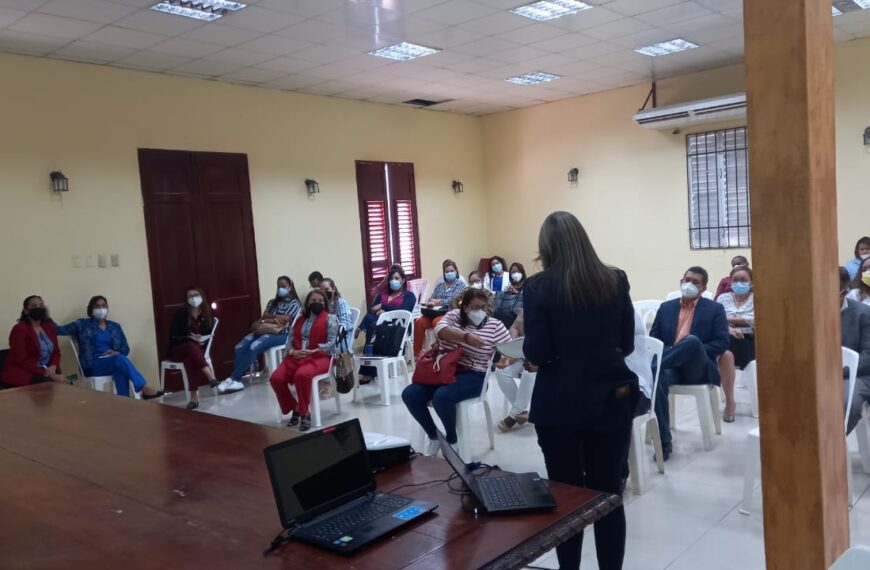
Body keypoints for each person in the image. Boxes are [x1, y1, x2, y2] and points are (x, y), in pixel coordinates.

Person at [523, 211, 637, 570]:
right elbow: (627, 342)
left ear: (547, 248)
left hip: (560, 405)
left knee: (566, 497)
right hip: (611, 399)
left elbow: (538, 352)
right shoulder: (615, 280)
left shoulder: (539, 287)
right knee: (608, 496)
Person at [402, 287, 511, 455]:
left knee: (442, 396)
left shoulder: (495, 326)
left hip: (475, 375)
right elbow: (440, 330)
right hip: (444, 371)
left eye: (483, 307)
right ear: (465, 307)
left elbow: (511, 350)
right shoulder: (453, 317)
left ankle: (452, 440)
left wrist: (507, 360)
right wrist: (465, 337)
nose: (480, 311)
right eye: (474, 307)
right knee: (410, 394)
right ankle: (434, 436)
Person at [651, 266, 729, 459]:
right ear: (681, 281)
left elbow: (722, 343)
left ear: (703, 288)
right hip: (671, 367)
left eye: (695, 282)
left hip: (697, 368)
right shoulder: (666, 307)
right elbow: (654, 338)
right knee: (658, 377)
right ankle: (664, 441)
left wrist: (695, 350)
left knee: (692, 342)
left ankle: (652, 367)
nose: (689, 284)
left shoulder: (715, 309)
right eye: (687, 280)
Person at [56, 296, 163, 399]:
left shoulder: (115, 327)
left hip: (112, 362)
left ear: (107, 308)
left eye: (104, 306)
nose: (101, 309)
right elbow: (59, 330)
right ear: (91, 309)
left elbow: (125, 349)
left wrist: (117, 352)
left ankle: (124, 403)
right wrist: (45, 319)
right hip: (93, 364)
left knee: (120, 369)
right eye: (97, 306)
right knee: (119, 359)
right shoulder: (83, 325)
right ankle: (143, 387)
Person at [269, 289, 338, 432]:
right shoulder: (300, 319)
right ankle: (294, 407)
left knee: (302, 375)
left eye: (320, 301)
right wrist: (293, 351)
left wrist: (312, 351)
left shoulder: (330, 318)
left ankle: (305, 412)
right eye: (313, 301)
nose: (316, 303)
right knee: (276, 378)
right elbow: (290, 339)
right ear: (307, 303)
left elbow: (332, 342)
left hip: (319, 356)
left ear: (325, 303)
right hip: (297, 356)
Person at [218, 276, 300, 393]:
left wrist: (269, 319)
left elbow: (285, 320)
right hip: (264, 330)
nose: (280, 289)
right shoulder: (272, 302)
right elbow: (266, 317)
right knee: (240, 346)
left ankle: (234, 378)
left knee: (254, 346)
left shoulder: (294, 303)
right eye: (278, 286)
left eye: (283, 286)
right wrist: (275, 319)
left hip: (282, 334)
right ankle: (237, 380)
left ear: (290, 288)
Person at [356, 266, 416, 382]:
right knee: (372, 325)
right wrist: (378, 310)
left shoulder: (409, 296)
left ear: (403, 280)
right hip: (379, 325)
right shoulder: (382, 295)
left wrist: (384, 307)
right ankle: (369, 368)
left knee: (372, 329)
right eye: (391, 278)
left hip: (398, 327)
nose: (393, 280)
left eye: (397, 278)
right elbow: (372, 309)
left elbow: (404, 311)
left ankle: (368, 371)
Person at [167, 286, 220, 410]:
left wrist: (201, 338)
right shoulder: (181, 313)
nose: (194, 298)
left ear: (201, 296)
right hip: (179, 348)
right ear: (186, 299)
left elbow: (208, 333)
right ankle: (210, 375)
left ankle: (193, 398)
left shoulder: (207, 313)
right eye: (190, 296)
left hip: (197, 350)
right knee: (191, 346)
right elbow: (174, 336)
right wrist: (189, 338)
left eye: (196, 295)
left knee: (190, 360)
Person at [716, 266, 756, 422]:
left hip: (748, 340)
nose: (739, 283)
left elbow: (756, 321)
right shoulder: (723, 298)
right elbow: (715, 319)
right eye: (735, 280)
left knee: (725, 348)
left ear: (751, 282)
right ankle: (730, 400)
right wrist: (728, 329)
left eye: (744, 280)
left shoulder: (758, 298)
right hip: (725, 337)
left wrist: (727, 320)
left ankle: (728, 400)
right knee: (724, 349)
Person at [2, 295, 65, 388]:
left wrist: (54, 366)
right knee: (56, 384)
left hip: (47, 371)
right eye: (34, 306)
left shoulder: (48, 327)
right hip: (25, 373)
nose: (38, 308)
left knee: (65, 384)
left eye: (41, 305)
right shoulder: (20, 329)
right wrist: (48, 374)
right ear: (26, 311)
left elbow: (56, 353)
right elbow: (22, 360)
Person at [494, 309, 536, 432]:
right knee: (501, 371)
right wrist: (509, 354)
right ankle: (521, 411)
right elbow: (515, 332)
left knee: (529, 373)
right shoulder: (525, 311)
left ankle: (513, 416)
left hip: (546, 360)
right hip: (525, 354)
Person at [413, 259, 465, 355]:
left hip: (449, 313)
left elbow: (454, 300)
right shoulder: (440, 286)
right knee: (419, 322)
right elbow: (432, 298)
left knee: (436, 322)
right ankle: (417, 353)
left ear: (456, 271)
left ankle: (439, 351)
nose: (449, 273)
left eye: (451, 271)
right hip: (434, 312)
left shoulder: (460, 285)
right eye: (447, 272)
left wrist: (440, 301)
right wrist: (430, 302)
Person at [841, 267, 870, 434]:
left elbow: (868, 356)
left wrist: (840, 371)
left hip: (856, 374)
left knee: (846, 402)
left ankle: (829, 448)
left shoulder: (863, 314)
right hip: (816, 373)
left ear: (844, 292)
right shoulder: (808, 312)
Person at [492, 261, 526, 327]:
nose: (516, 274)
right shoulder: (508, 286)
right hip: (504, 313)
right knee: (495, 315)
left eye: (518, 271)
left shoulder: (527, 285)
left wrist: (516, 293)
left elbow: (528, 300)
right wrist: (505, 293)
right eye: (513, 272)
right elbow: (497, 306)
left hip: (517, 316)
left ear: (522, 273)